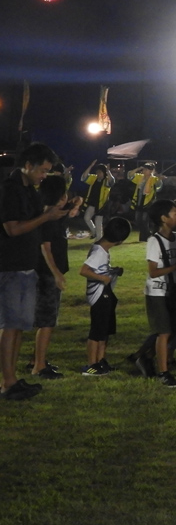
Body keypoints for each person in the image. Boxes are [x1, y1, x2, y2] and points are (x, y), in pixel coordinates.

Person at [0, 142, 66, 400]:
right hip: (10, 267)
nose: (44, 176)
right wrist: (46, 217)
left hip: (27, 267)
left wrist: (56, 213)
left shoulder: (30, 191)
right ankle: (7, 383)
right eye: (42, 170)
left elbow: (38, 220)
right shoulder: (9, 190)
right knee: (9, 326)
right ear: (28, 165)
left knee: (18, 326)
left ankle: (13, 379)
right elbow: (13, 229)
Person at [134, 199, 176, 387]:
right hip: (158, 293)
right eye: (175, 213)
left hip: (173, 290)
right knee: (164, 332)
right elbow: (153, 272)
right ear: (163, 218)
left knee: (173, 330)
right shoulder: (154, 241)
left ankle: (147, 358)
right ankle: (163, 373)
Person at [31, 176, 82, 379]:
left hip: (49, 274)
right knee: (47, 322)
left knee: (47, 321)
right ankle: (39, 367)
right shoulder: (48, 218)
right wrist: (57, 274)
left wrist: (74, 204)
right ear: (57, 196)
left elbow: (76, 201)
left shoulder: (56, 213)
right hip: (46, 275)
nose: (67, 196)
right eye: (64, 193)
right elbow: (45, 247)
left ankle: (37, 360)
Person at [79, 217, 131, 376]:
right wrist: (103, 278)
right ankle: (91, 365)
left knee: (104, 331)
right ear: (120, 240)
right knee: (97, 331)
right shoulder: (99, 252)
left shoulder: (100, 249)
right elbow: (84, 270)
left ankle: (100, 361)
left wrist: (112, 271)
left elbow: (99, 269)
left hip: (105, 293)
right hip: (99, 295)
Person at [127, 163, 162, 243]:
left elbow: (159, 187)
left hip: (148, 202)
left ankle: (145, 237)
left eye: (146, 169)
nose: (144, 171)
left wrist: (159, 179)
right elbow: (130, 176)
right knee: (138, 220)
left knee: (144, 220)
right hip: (139, 201)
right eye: (144, 169)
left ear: (151, 171)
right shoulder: (140, 177)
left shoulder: (153, 179)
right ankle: (147, 235)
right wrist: (138, 168)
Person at [80, 160, 113, 240]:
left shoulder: (106, 181)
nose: (98, 174)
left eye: (100, 172)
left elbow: (112, 181)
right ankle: (94, 232)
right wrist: (91, 166)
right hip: (92, 203)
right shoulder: (94, 178)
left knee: (98, 222)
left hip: (101, 205)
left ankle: (99, 239)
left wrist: (108, 171)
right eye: (97, 172)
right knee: (87, 218)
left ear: (104, 172)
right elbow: (83, 178)